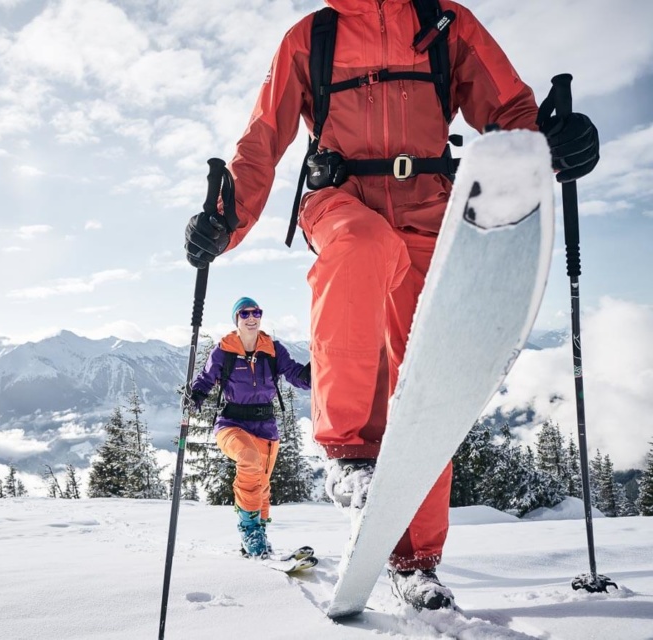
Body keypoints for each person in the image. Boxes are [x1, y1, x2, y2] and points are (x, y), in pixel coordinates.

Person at [184, 0, 599, 609]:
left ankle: (416, 562)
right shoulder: (311, 37)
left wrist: (552, 141)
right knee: (358, 246)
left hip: (432, 206)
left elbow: (507, 109)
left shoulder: (445, 23)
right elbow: (263, 139)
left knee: (425, 382)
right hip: (342, 199)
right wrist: (227, 220)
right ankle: (349, 453)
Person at [184, 297, 311, 557]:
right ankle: (248, 528)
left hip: (266, 427)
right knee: (248, 458)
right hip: (231, 423)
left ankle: (259, 536)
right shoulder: (224, 350)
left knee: (261, 484)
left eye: (257, 312)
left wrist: (318, 369)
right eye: (245, 314)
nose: (252, 318)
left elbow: (297, 376)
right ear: (237, 319)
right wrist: (194, 397)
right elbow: (205, 380)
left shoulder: (274, 350)